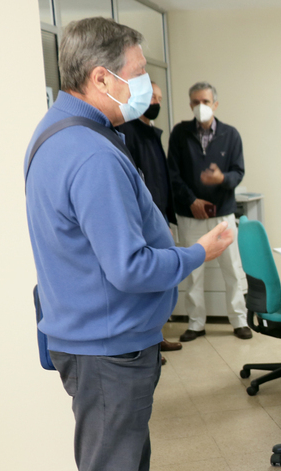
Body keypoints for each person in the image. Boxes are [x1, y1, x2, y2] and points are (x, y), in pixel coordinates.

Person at [24, 17, 234, 471]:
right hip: (105, 347)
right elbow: (132, 266)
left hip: (102, 338)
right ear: (101, 77)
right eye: (139, 76)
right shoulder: (88, 153)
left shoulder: (62, 131)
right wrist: (203, 253)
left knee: (128, 463)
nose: (147, 88)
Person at [167, 81, 251, 342]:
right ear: (190, 105)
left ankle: (239, 320)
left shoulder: (231, 134)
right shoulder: (180, 134)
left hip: (223, 215)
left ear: (215, 103)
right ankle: (195, 323)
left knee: (233, 270)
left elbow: (238, 172)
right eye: (195, 102)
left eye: (205, 101)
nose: (200, 106)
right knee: (193, 274)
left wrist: (221, 179)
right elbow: (173, 174)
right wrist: (191, 200)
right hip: (190, 215)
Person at [116, 81, 182, 362]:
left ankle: (156, 337)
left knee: (161, 283)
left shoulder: (151, 133)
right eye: (152, 96)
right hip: (143, 223)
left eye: (159, 98)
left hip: (159, 217)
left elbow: (160, 180)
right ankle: (148, 343)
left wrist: (165, 216)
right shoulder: (127, 132)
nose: (155, 102)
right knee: (149, 283)